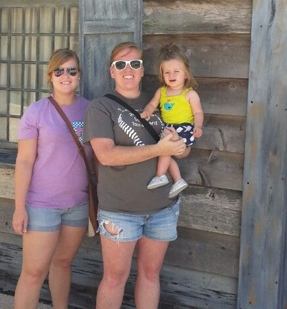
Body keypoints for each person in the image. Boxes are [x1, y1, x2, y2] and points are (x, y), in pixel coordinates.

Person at [83, 42, 189, 309]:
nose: (128, 70)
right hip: (119, 210)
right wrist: (158, 149)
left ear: (143, 71)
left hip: (162, 208)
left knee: (151, 275)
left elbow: (181, 152)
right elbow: (105, 155)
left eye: (134, 64)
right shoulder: (101, 107)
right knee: (114, 279)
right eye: (121, 64)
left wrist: (177, 145)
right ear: (112, 71)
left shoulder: (161, 101)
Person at [12, 48, 92, 309]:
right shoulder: (36, 112)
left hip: (78, 205)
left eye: (71, 70)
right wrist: (19, 207)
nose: (65, 76)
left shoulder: (90, 110)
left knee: (63, 263)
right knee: (34, 272)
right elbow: (24, 161)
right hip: (41, 206)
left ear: (79, 75)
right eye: (59, 70)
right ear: (50, 76)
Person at [141, 44, 204, 198]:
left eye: (176, 71)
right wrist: (147, 111)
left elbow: (198, 112)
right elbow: (152, 104)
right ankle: (177, 180)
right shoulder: (161, 92)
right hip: (169, 128)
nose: (171, 75)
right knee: (165, 151)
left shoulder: (189, 94)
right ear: (162, 75)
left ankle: (160, 175)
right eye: (167, 72)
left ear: (186, 74)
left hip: (184, 128)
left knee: (164, 148)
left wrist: (198, 126)